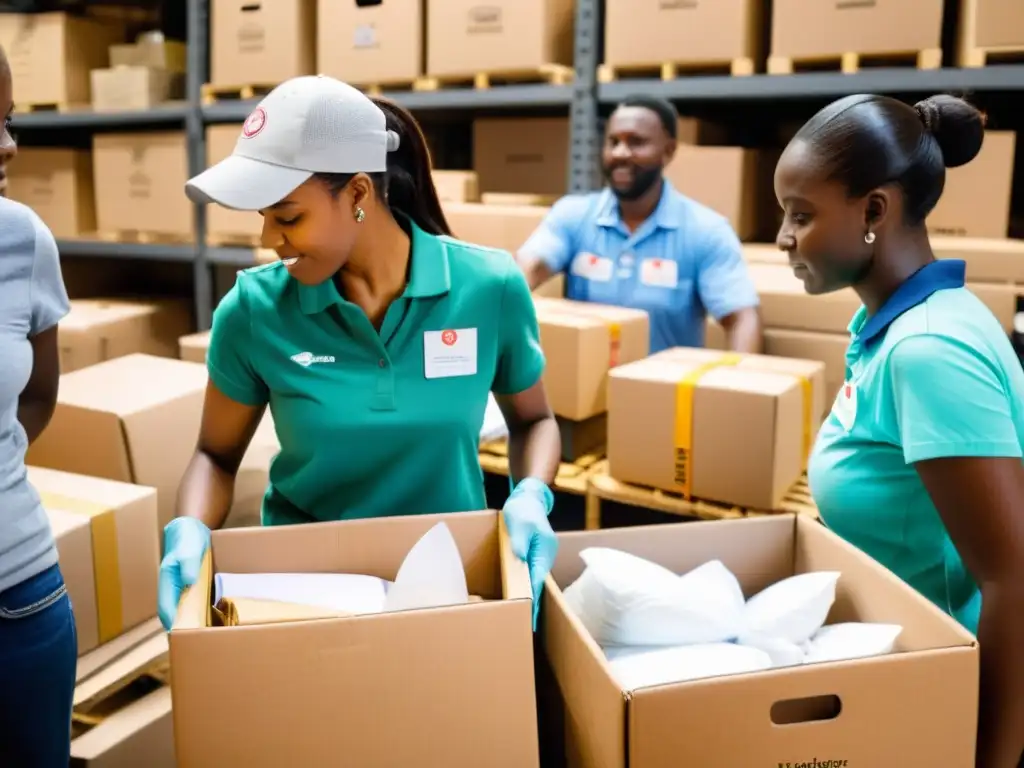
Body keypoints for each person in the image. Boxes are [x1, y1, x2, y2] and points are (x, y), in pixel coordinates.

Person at [158, 76, 561, 632]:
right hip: (300, 595)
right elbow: (215, 455)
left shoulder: (487, 287)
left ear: (357, 195)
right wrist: (189, 529)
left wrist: (531, 496)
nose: (270, 239)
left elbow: (534, 420)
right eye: (263, 218)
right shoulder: (254, 310)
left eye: (288, 216)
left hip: (446, 582)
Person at [777, 93, 1024, 768]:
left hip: (955, 700)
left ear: (874, 211)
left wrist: (988, 758)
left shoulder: (928, 351)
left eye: (801, 215)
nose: (783, 238)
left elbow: (1014, 579)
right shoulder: (889, 331)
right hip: (910, 676)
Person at [516, 95, 762, 354]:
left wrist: (739, 380)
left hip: (662, 390)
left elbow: (742, 318)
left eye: (636, 142)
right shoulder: (573, 215)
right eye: (613, 142)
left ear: (668, 151)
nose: (621, 153)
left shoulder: (706, 231)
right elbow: (530, 267)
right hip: (586, 387)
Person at [0, 48, 77, 767]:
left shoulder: (21, 239)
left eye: (10, 119)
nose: (8, 146)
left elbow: (39, 396)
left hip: (20, 600)